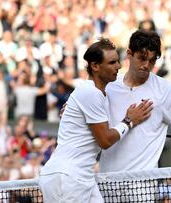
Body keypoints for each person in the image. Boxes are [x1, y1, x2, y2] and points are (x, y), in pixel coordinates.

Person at [38, 38, 153, 202]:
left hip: (81, 177)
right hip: (67, 177)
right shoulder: (90, 92)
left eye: (118, 61)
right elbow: (105, 140)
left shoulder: (96, 93)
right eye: (112, 62)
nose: (118, 66)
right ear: (95, 66)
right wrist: (129, 121)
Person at [99, 29, 171, 173]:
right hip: (108, 181)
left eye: (152, 60)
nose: (146, 65)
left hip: (144, 184)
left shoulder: (165, 89)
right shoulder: (108, 86)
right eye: (142, 58)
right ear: (129, 54)